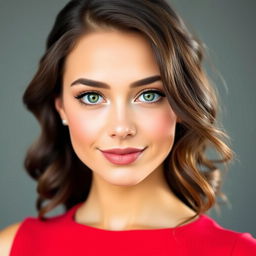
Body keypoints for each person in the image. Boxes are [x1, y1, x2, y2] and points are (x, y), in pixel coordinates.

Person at [0, 0, 255, 255]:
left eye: (149, 95)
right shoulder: (11, 247)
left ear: (180, 104)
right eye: (91, 96)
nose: (121, 128)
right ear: (61, 108)